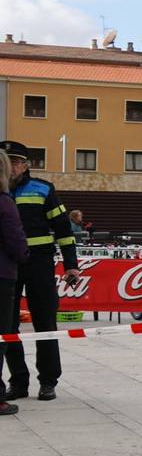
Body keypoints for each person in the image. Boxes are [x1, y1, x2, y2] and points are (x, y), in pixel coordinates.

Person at [2, 141, 80, 402]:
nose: (10, 166)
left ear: (26, 165)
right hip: (8, 268)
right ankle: (18, 382)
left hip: (39, 265)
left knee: (45, 323)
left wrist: (71, 265)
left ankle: (48, 381)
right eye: (6, 161)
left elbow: (64, 231)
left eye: (15, 161)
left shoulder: (43, 190)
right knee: (7, 327)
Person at [0, 164, 28, 416]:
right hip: (2, 275)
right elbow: (15, 239)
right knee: (1, 335)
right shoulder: (5, 202)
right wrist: (24, 256)